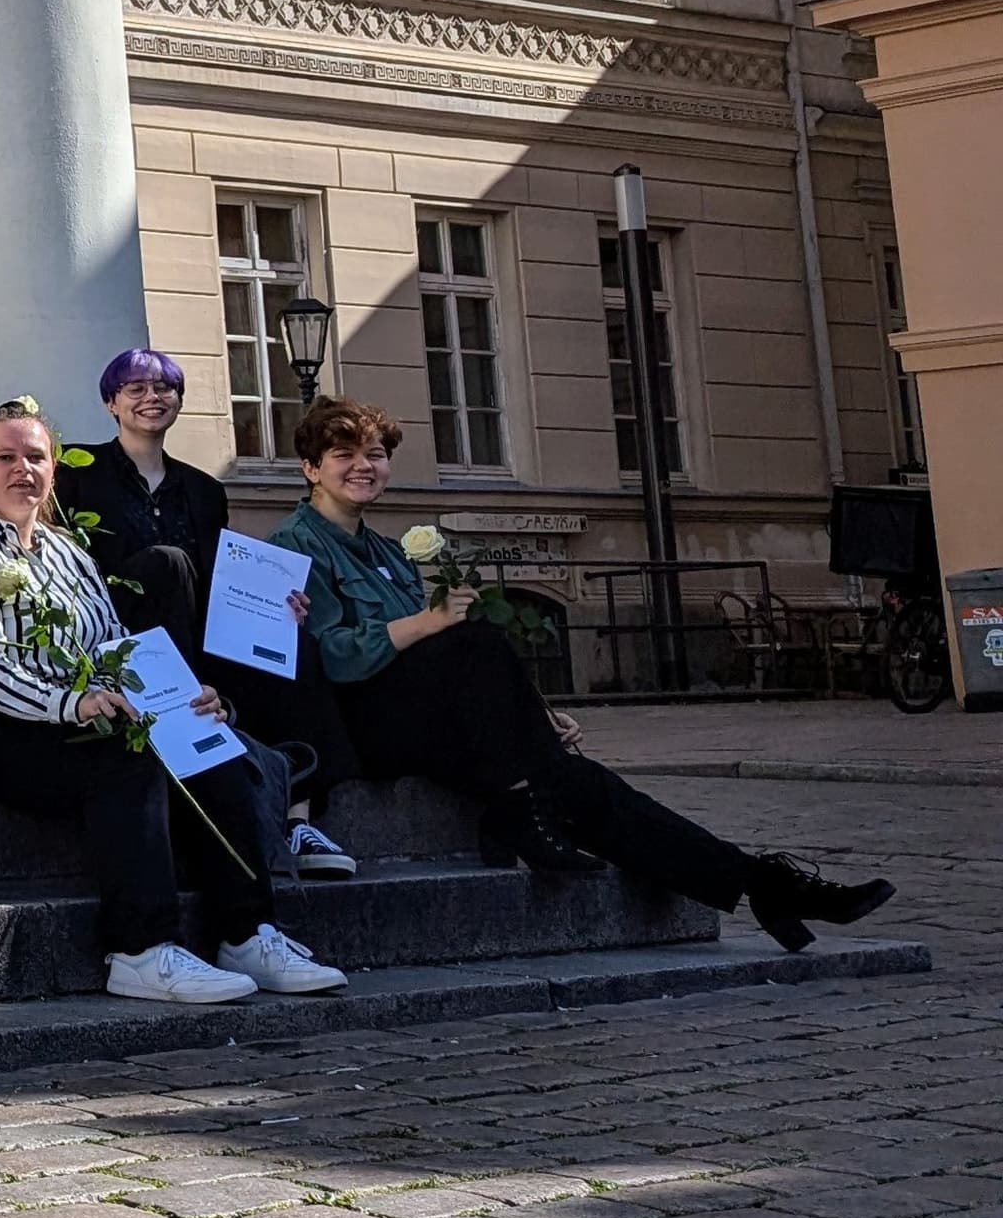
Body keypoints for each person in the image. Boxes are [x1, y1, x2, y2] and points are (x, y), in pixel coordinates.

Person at [271, 398, 894, 951]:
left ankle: (764, 884)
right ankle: (523, 811)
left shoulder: (386, 551)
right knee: (477, 641)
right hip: (366, 724)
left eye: (375, 455)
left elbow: (452, 667)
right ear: (311, 468)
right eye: (344, 455)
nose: (364, 466)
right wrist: (427, 623)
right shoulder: (294, 544)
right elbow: (331, 657)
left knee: (576, 781)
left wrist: (534, 714)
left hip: (433, 720)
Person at [0, 400, 347, 1005]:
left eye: (35, 457)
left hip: (62, 707)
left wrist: (183, 699)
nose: (22, 469)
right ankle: (140, 950)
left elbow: (115, 645)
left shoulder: (66, 552)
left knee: (205, 746)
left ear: (53, 470)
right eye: (4, 457)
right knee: (124, 759)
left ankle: (247, 934)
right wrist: (74, 705)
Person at [71, 347, 356, 882]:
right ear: (111, 402)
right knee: (165, 563)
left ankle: (299, 817)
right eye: (136, 388)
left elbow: (221, 577)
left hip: (198, 639)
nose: (152, 397)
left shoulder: (204, 489)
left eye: (164, 388)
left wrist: (275, 605)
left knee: (294, 642)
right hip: (119, 638)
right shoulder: (77, 472)